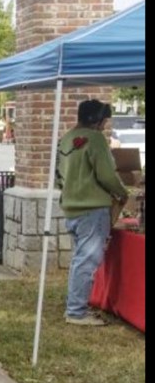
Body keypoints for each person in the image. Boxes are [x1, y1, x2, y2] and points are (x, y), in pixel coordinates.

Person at [56, 99, 129, 326]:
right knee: (87, 261)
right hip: (92, 208)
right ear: (97, 120)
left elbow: (58, 176)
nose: (105, 125)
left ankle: (74, 304)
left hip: (71, 207)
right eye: (104, 120)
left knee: (79, 260)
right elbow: (106, 174)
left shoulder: (66, 138)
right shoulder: (95, 139)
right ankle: (76, 311)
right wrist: (122, 193)